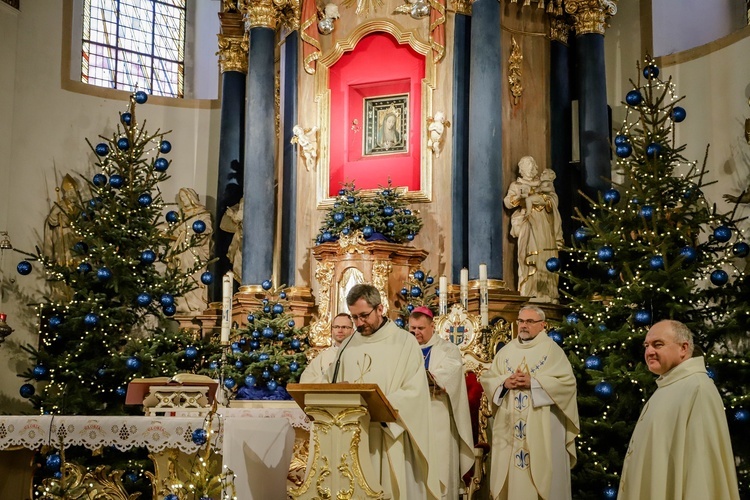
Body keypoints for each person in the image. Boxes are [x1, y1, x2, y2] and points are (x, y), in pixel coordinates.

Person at [326, 283, 440, 499]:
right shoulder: (347, 345)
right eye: (354, 317)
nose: (359, 323)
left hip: (389, 435)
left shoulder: (404, 342)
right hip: (353, 437)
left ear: (380, 309)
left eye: (364, 315)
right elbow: (331, 383)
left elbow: (415, 392)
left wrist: (378, 405)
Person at [618, 320, 740, 500]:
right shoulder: (668, 386)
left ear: (684, 348)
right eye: (647, 345)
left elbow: (701, 470)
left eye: (658, 344)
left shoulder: (697, 388)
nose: (649, 351)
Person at [479, 305, 579, 500]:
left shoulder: (552, 351)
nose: (524, 326)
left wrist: (534, 383)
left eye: (530, 322)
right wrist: (504, 382)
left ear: (542, 325)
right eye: (521, 321)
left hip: (543, 426)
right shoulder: (506, 351)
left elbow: (567, 384)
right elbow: (489, 378)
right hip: (509, 430)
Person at [409, 306, 474, 500]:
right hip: (412, 414)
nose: (416, 333)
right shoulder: (405, 350)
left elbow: (451, 372)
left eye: (420, 328)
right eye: (412, 329)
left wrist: (432, 377)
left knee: (440, 467)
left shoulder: (448, 349)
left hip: (439, 413)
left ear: (432, 326)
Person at [503, 156, 564, 303]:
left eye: (532, 165)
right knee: (527, 255)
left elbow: (553, 200)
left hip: (544, 224)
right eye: (527, 166)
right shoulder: (516, 185)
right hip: (528, 223)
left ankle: (547, 292)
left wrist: (544, 199)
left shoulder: (543, 183)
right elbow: (508, 202)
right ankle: (528, 290)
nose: (531, 169)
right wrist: (518, 197)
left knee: (545, 255)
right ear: (521, 169)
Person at [170, 188, 213, 313]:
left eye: (185, 197)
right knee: (182, 276)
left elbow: (208, 229)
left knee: (195, 274)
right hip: (182, 249)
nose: (183, 200)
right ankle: (183, 303)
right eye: (181, 198)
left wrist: (196, 231)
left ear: (191, 197)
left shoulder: (202, 214)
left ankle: (197, 303)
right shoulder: (181, 215)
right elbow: (175, 232)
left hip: (195, 248)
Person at [299, 313, 355, 383]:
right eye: (336, 327)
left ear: (352, 331)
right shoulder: (323, 357)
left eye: (344, 327)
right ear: (332, 330)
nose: (340, 330)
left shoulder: (360, 354)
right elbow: (305, 381)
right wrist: (328, 381)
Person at [44, 174, 80, 267]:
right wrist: (54, 213)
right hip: (62, 236)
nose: (73, 195)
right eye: (70, 192)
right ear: (66, 193)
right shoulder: (59, 206)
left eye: (74, 192)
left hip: (74, 237)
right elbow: (52, 222)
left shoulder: (79, 207)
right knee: (63, 260)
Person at [219, 197, 243, 282]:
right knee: (238, 263)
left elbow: (240, 217)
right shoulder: (244, 199)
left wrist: (231, 214)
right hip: (241, 237)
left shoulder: (248, 200)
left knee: (240, 262)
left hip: (247, 239)